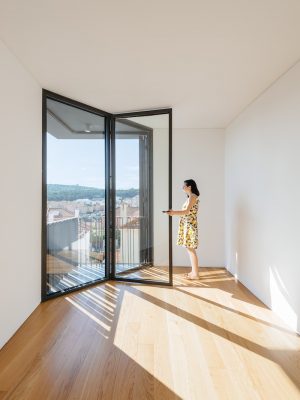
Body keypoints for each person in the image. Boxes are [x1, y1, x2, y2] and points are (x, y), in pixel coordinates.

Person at [165, 179, 200, 279]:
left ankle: (196, 274)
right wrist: (173, 212)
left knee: (191, 249)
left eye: (184, 186)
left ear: (189, 187)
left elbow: (186, 211)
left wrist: (173, 213)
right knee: (189, 249)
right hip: (187, 225)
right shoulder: (190, 197)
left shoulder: (193, 197)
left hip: (190, 225)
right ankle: (194, 272)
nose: (182, 187)